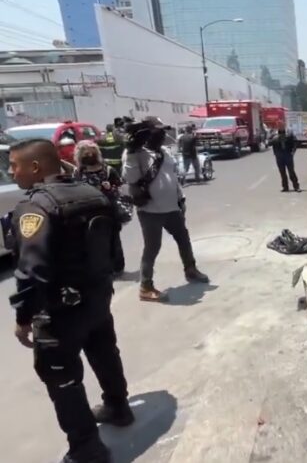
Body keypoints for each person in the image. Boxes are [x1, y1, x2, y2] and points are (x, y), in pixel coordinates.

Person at [8, 139, 133, 463]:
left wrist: (23, 319)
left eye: (14, 165)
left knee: (60, 374)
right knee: (104, 352)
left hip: (61, 310)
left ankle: (87, 448)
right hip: (98, 296)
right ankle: (119, 408)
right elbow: (116, 253)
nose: (11, 171)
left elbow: (31, 272)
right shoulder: (94, 195)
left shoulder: (35, 207)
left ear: (35, 166)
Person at [123, 118, 209, 302]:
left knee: (183, 238)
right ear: (147, 134)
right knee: (152, 248)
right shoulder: (135, 153)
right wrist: (131, 153)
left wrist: (181, 198)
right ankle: (146, 287)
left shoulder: (164, 152)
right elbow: (130, 178)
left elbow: (173, 177)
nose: (162, 135)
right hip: (150, 210)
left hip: (172, 208)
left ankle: (191, 270)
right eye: (158, 132)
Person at [73, 140, 126, 275]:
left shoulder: (107, 169)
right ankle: (102, 268)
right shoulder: (78, 173)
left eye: (92, 152)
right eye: (85, 153)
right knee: (94, 242)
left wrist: (110, 188)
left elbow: (121, 188)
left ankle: (117, 267)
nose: (89, 155)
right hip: (88, 212)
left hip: (109, 210)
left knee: (114, 240)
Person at [269, 124, 301, 192]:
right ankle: (285, 187)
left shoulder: (289, 133)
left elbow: (295, 142)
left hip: (288, 155)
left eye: (282, 126)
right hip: (279, 156)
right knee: (282, 172)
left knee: (291, 171)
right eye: (279, 126)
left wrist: (293, 151)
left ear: (284, 126)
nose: (281, 127)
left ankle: (296, 186)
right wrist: (275, 139)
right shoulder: (274, 134)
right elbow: (269, 143)